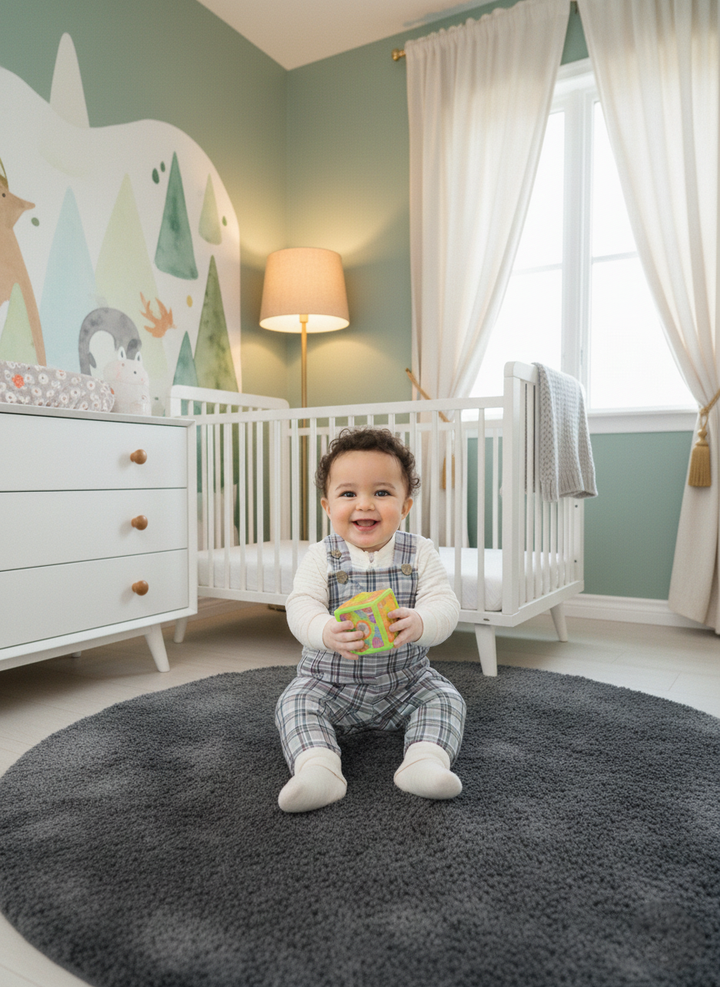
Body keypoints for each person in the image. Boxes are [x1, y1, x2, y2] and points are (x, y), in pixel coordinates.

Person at [275, 426, 466, 813]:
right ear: (328, 507)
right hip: (329, 683)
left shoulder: (420, 551)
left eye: (381, 492)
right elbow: (300, 607)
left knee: (446, 698)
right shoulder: (321, 556)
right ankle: (318, 768)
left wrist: (422, 620)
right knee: (293, 703)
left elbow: (445, 603)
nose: (364, 505)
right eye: (349, 494)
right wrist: (325, 631)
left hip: (406, 681)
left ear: (406, 505)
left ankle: (424, 761)